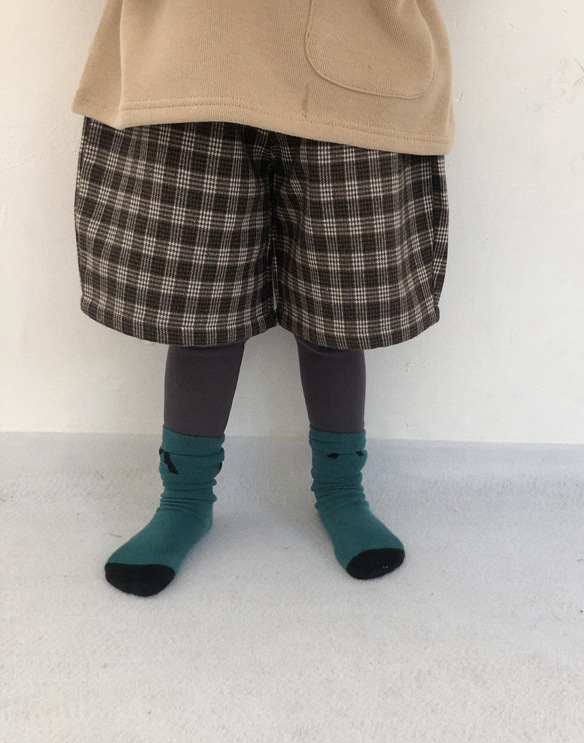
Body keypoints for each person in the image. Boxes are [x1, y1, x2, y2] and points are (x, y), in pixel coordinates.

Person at [71, 0, 455, 596]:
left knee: (338, 316)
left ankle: (341, 492)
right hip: (189, 64)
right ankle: (184, 501)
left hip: (354, 72)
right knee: (200, 315)